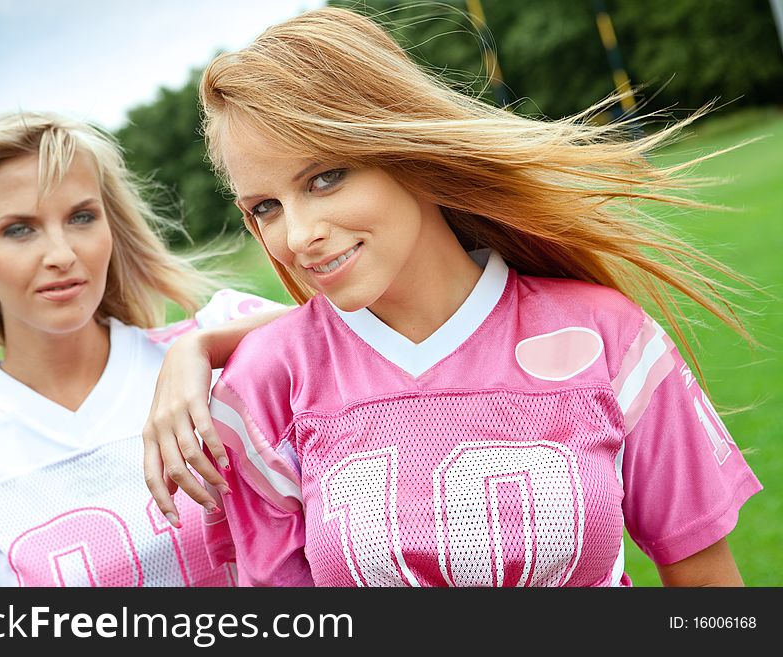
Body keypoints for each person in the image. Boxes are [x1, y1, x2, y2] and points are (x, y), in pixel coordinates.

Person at [144, 8, 762, 587]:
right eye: (266, 208)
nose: (300, 235)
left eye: (325, 177)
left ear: (406, 154)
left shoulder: (607, 334)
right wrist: (194, 348)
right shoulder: (260, 391)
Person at [0, 111, 286, 587]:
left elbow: (355, 326)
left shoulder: (223, 339)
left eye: (82, 217)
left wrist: (201, 348)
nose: (62, 254)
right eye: (19, 229)